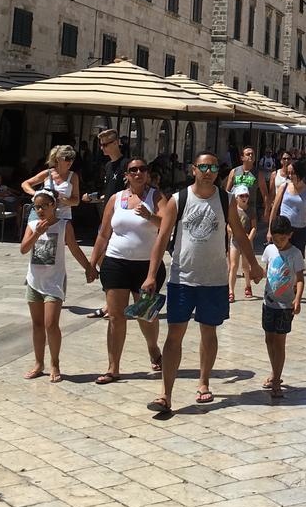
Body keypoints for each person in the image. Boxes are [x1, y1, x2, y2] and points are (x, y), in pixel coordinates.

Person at [142, 153, 263, 416]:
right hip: (182, 278)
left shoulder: (226, 199)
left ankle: (204, 381)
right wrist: (151, 275)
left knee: (209, 333)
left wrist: (253, 265)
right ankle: (165, 394)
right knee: (175, 335)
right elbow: (162, 239)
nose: (208, 172)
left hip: (214, 279)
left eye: (213, 167)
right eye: (203, 167)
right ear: (193, 169)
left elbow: (240, 235)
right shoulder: (178, 200)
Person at [89, 159, 165, 384]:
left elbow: (167, 224)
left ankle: (153, 348)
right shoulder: (116, 199)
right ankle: (113, 367)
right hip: (116, 263)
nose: (138, 173)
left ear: (148, 174)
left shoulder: (157, 197)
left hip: (147, 266)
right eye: (133, 170)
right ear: (126, 175)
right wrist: (92, 262)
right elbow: (104, 233)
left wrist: (150, 216)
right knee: (115, 316)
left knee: (145, 314)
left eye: (142, 169)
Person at [21, 190, 95, 382]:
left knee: (51, 324)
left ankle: (55, 363)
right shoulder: (32, 225)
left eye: (44, 206)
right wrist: (36, 233)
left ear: (53, 205)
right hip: (34, 281)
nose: (40, 210)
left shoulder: (63, 226)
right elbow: (23, 249)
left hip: (54, 282)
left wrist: (89, 268)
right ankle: (39, 363)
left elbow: (74, 248)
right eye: (37, 207)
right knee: (37, 325)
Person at [260, 214, 305, 398]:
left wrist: (298, 299)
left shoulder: (295, 254)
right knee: (269, 340)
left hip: (286, 306)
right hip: (268, 303)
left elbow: (300, 279)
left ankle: (277, 380)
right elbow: (266, 272)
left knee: (280, 343)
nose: (279, 242)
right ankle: (274, 372)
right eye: (276, 239)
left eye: (283, 238)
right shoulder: (269, 250)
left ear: (290, 235)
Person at [226, 146, 267, 297]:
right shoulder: (234, 172)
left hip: (250, 212)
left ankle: (247, 286)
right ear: (242, 157)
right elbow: (227, 191)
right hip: (234, 212)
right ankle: (231, 290)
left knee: (245, 262)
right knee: (233, 261)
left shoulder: (258, 173)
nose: (251, 156)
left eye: (253, 154)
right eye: (247, 154)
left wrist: (267, 209)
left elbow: (264, 193)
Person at [22, 146, 80, 230]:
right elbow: (25, 184)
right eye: (67, 158)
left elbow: (76, 201)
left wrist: (61, 198)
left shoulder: (73, 177)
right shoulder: (47, 173)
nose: (70, 161)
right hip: (44, 216)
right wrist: (37, 194)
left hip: (63, 216)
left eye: (72, 158)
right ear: (58, 159)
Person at [271, 162, 306, 255]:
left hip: (300, 230)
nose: (290, 176)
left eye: (293, 173)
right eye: (289, 173)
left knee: (297, 261)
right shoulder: (284, 187)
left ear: (299, 173)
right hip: (283, 229)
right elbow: (275, 208)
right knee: (282, 257)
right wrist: (270, 230)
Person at [82, 130, 129, 207]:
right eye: (101, 145)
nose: (101, 148)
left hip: (120, 211)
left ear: (115, 143)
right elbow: (108, 191)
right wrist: (92, 197)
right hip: (108, 211)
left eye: (105, 145)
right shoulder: (108, 165)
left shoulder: (127, 164)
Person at [228, 185, 256, 301]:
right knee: (234, 265)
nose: (244, 198)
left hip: (247, 241)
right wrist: (231, 231)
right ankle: (231, 291)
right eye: (241, 196)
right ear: (236, 197)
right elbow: (228, 226)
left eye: (246, 196)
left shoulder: (251, 210)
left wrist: (248, 239)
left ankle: (248, 285)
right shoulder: (232, 210)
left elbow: (254, 227)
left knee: (245, 266)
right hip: (235, 241)